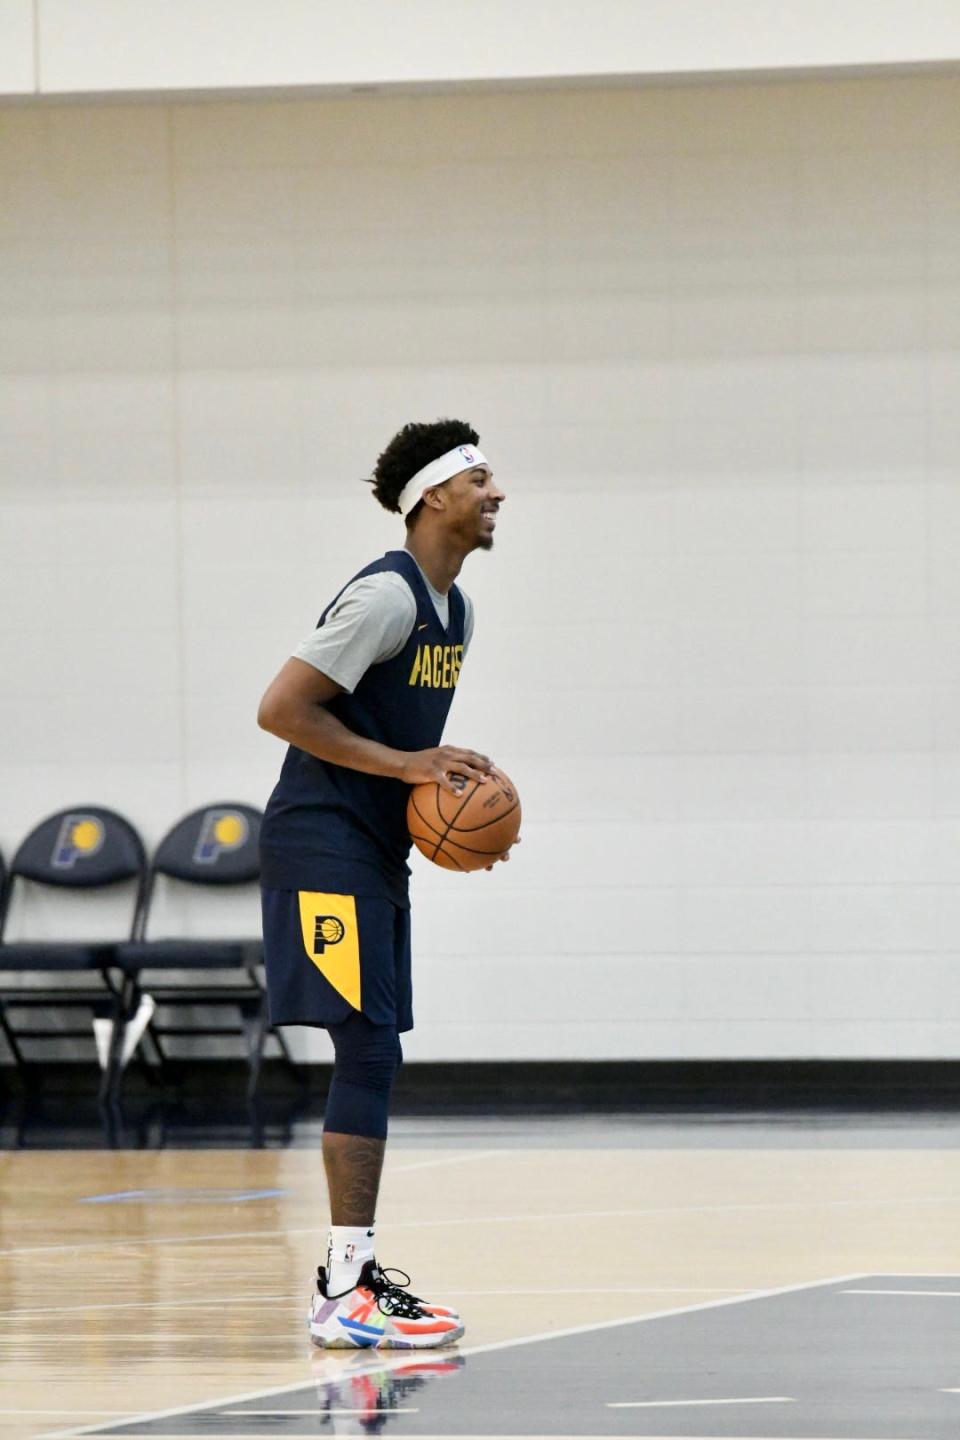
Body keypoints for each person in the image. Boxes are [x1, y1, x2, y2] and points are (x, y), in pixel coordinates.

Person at [257, 417, 511, 1349]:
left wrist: (464, 823)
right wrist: (410, 769)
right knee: (365, 1049)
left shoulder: (459, 611)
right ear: (433, 496)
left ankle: (350, 1281)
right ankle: (343, 1290)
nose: (496, 493)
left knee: (378, 1052)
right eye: (479, 478)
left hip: (371, 853)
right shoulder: (386, 596)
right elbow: (281, 709)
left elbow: (403, 750)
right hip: (320, 846)